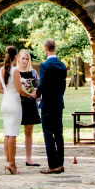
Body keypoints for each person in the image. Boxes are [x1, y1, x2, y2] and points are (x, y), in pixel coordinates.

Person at [36, 38, 67, 174]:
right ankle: (60, 163)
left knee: (48, 134)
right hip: (58, 103)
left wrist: (36, 93)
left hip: (48, 104)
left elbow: (42, 85)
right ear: (54, 48)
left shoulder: (44, 66)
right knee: (58, 133)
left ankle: (53, 165)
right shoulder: (62, 66)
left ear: (46, 49)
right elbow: (63, 85)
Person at [0, 45, 22, 174]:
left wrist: (8, 91)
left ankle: (8, 161)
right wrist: (30, 94)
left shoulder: (1, 70)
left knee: (7, 133)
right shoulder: (15, 70)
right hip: (14, 103)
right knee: (13, 134)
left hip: (5, 102)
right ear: (16, 56)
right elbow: (19, 89)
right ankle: (12, 163)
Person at [16, 49, 41, 166]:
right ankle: (12, 158)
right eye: (23, 58)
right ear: (18, 58)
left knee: (28, 132)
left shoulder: (33, 73)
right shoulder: (14, 72)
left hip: (30, 103)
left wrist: (34, 91)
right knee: (13, 131)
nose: (24, 61)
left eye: (27, 59)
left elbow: (38, 89)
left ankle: (28, 158)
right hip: (17, 103)